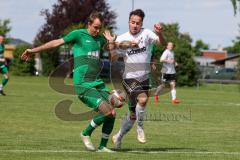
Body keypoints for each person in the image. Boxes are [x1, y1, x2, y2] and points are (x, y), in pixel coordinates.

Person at [21, 12, 119, 152]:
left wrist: (111, 43)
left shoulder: (101, 39)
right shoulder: (78, 34)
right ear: (89, 24)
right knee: (108, 112)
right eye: (95, 27)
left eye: (100, 28)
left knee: (112, 114)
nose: (97, 30)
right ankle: (85, 133)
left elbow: (114, 59)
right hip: (82, 83)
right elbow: (56, 43)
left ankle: (103, 146)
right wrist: (32, 51)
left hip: (97, 83)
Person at [110, 9, 165, 149]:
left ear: (141, 24)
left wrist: (160, 33)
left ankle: (118, 137)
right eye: (133, 22)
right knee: (143, 99)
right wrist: (112, 44)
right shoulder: (122, 38)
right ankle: (140, 128)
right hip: (129, 78)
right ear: (129, 22)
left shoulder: (146, 33)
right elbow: (114, 58)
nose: (135, 25)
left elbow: (161, 43)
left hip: (145, 79)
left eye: (138, 23)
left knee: (133, 115)